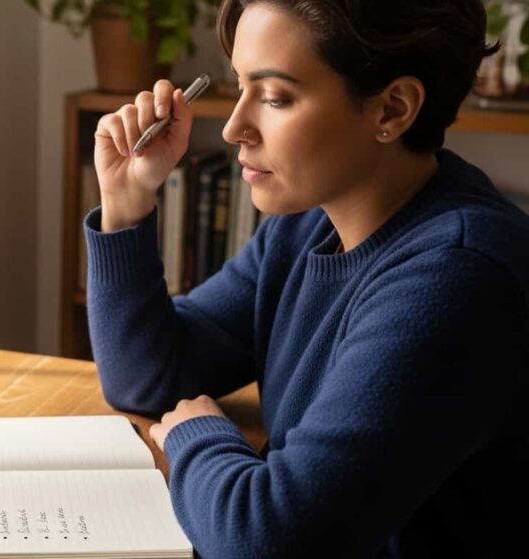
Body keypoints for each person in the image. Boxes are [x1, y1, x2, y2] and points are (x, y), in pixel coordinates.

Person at [84, 0, 529, 557]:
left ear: (393, 109)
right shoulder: (309, 224)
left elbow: (268, 539)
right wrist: (127, 200)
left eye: (274, 97)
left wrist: (198, 436)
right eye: (239, 86)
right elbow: (147, 376)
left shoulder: (458, 278)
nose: (234, 128)